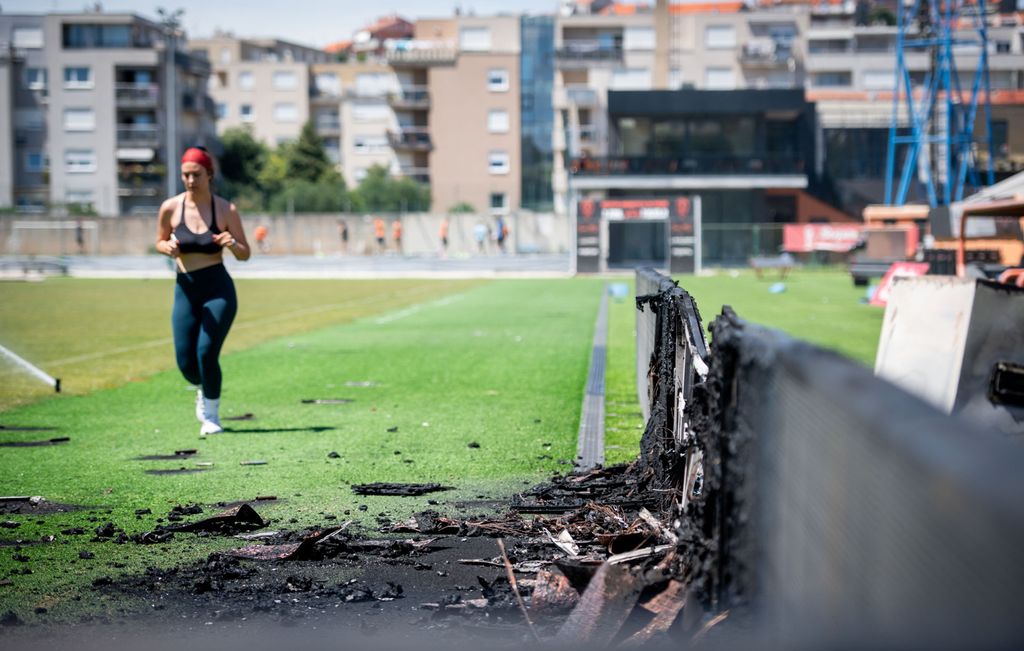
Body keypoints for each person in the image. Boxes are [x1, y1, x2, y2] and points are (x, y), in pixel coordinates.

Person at [155, 146, 251, 436]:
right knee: (187, 363)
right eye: (185, 174)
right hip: (185, 288)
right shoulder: (170, 208)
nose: (190, 180)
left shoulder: (225, 209)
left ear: (209, 175)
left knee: (206, 352)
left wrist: (231, 243)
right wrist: (167, 247)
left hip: (217, 288)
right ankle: (203, 388)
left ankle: (212, 415)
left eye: (196, 174)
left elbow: (245, 253)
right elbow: (159, 241)